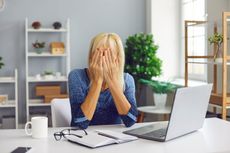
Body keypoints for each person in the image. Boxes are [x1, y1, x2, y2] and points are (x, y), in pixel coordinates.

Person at [68, 33, 138, 129]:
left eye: (108, 54)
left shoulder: (127, 79)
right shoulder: (76, 76)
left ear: (118, 58)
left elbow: (130, 120)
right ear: (91, 56)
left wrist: (111, 80)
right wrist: (97, 81)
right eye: (99, 54)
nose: (103, 59)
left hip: (114, 138)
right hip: (82, 137)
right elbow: (81, 122)